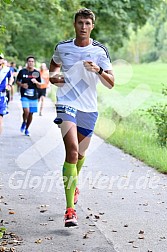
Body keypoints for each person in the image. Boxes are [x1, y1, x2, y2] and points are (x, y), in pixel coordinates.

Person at [49, 8, 114, 227]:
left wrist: (98, 70)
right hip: (66, 103)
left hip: (88, 108)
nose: (83, 27)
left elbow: (111, 83)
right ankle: (70, 210)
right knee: (73, 151)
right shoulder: (62, 47)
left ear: (92, 26)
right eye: (80, 23)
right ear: (74, 24)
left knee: (80, 154)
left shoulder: (99, 52)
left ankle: (73, 183)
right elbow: (53, 66)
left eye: (87, 23)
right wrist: (53, 78)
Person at [16, 56, 41, 136]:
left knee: (31, 113)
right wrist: (22, 85)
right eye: (29, 61)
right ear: (27, 62)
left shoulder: (36, 73)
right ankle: (24, 121)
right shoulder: (22, 71)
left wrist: (36, 82)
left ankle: (27, 128)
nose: (31, 63)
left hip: (34, 96)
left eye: (32, 61)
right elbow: (17, 81)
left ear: (34, 63)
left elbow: (40, 85)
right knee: (26, 111)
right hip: (24, 95)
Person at [0, 54, 13, 134]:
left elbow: (11, 78)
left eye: (0, 59)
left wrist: (9, 84)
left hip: (1, 96)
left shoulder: (6, 70)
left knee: (0, 118)